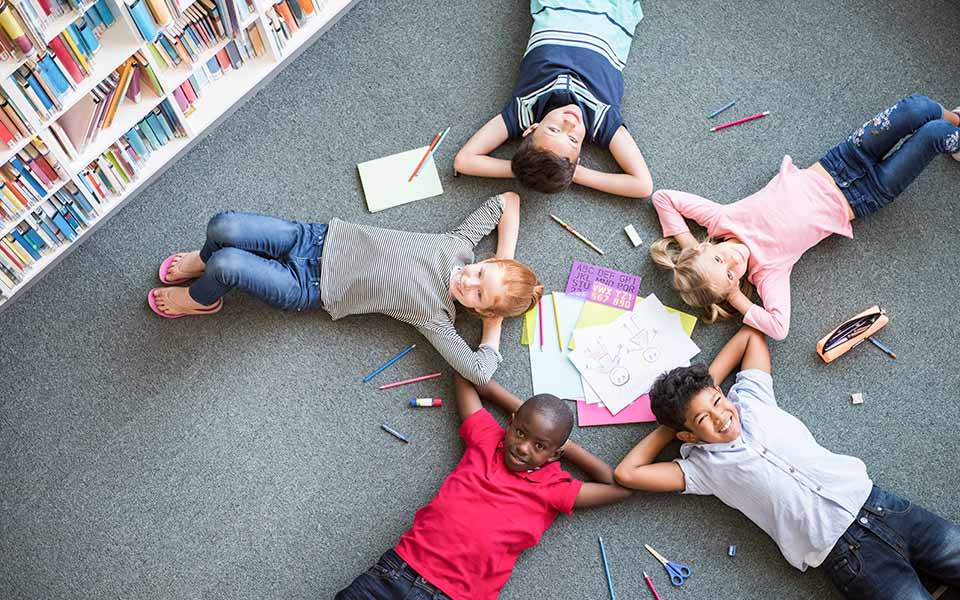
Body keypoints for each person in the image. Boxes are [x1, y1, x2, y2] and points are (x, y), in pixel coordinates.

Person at [614, 325, 960, 599]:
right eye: (704, 420)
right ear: (688, 437)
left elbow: (749, 336)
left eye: (718, 403)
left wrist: (705, 389)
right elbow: (627, 472)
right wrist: (674, 428)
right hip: (848, 556)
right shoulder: (701, 468)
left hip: (882, 506)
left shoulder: (751, 400)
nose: (720, 418)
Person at [649, 94, 960, 339]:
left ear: (708, 246)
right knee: (935, 134)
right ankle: (953, 136)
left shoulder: (720, 220)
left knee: (918, 108)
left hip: (841, 160)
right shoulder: (767, 272)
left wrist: (687, 245)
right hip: (866, 194)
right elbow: (778, 327)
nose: (733, 263)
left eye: (719, 260)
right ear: (734, 285)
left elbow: (662, 198)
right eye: (731, 276)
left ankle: (955, 120)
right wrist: (735, 298)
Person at [148, 193, 540, 385]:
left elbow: (479, 372)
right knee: (223, 226)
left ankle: (201, 299)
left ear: (478, 310)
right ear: (484, 260)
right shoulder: (459, 245)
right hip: (314, 239)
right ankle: (202, 261)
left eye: (477, 295)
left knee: (225, 265)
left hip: (308, 287)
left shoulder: (437, 318)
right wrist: (505, 260)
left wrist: (495, 323)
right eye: (480, 274)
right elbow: (508, 202)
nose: (467, 282)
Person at [336, 373, 633, 599]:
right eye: (520, 432)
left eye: (539, 446)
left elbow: (619, 485)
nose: (524, 448)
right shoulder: (489, 437)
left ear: (556, 454)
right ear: (511, 422)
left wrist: (565, 447)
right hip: (395, 571)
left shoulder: (555, 485)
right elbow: (464, 375)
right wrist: (496, 395)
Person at [453, 0, 652, 198]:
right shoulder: (601, 121)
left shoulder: (524, 110)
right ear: (578, 160)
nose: (570, 123)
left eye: (554, 129)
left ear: (531, 128)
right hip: (607, 9)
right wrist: (575, 174)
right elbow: (642, 185)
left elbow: (464, 160)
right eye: (573, 139)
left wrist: (527, 169)